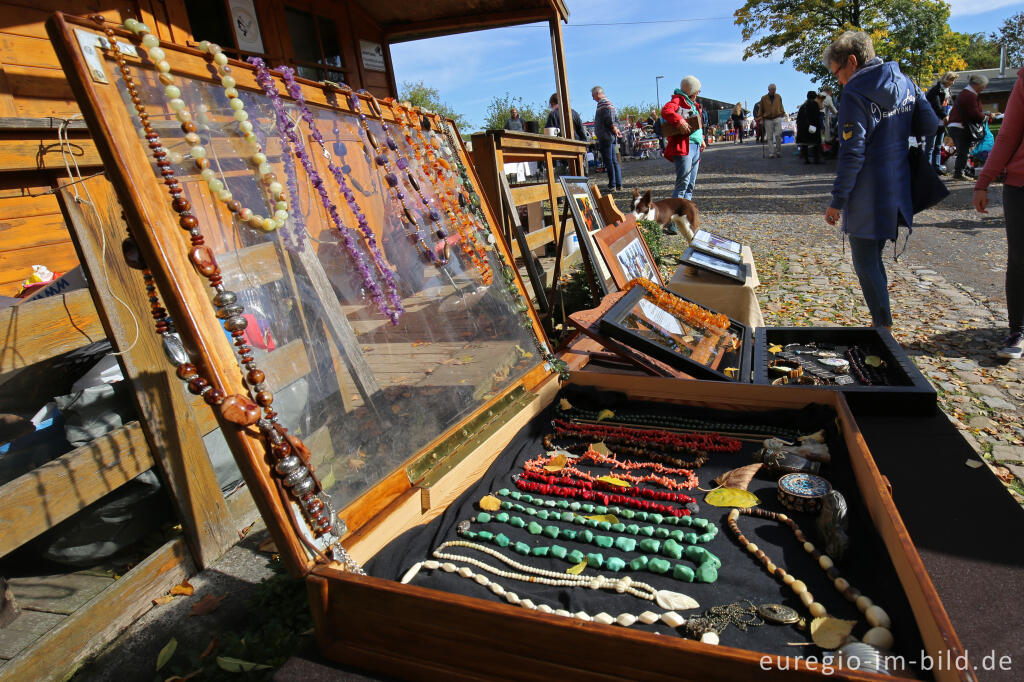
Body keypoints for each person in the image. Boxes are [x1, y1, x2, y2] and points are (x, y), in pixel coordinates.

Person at [822, 30, 938, 330]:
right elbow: (929, 124)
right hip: (898, 187)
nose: (838, 80)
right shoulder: (906, 81)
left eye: (837, 72)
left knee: (864, 261)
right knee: (874, 259)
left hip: (867, 192)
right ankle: (881, 322)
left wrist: (837, 200)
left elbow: (853, 153)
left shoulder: (855, 92)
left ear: (852, 61)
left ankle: (882, 328)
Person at [973, 65, 1024, 359]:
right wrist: (984, 181)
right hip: (1020, 183)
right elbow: (1008, 134)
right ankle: (1018, 328)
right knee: (1020, 260)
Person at [662, 75, 705, 204]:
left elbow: (697, 125)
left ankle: (685, 217)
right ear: (692, 90)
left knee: (690, 185)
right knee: (683, 183)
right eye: (698, 89)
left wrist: (701, 139)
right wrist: (679, 120)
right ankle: (674, 220)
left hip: (695, 145)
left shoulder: (692, 103)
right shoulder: (678, 100)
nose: (699, 92)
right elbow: (666, 111)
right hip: (685, 146)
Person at [947, 74, 989, 180]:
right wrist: (985, 117)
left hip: (955, 125)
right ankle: (959, 173)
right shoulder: (970, 95)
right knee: (963, 151)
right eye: (983, 86)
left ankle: (960, 172)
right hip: (961, 126)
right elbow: (973, 113)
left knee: (963, 151)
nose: (983, 88)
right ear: (978, 84)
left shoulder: (965, 93)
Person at [591, 86, 623, 190]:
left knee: (608, 160)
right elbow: (616, 119)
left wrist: (613, 128)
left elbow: (607, 118)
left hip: (605, 136)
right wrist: (616, 129)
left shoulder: (602, 104)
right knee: (614, 160)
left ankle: (612, 184)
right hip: (612, 136)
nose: (593, 98)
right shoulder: (610, 103)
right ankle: (619, 184)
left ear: (598, 94)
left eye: (593, 96)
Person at [925, 72, 957, 174]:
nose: (953, 83)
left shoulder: (948, 91)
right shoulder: (936, 90)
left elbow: (950, 104)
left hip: (942, 123)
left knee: (938, 146)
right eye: (952, 80)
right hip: (933, 121)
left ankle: (936, 167)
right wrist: (944, 116)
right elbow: (936, 105)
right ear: (946, 79)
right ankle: (927, 168)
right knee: (930, 146)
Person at [796, 90, 823, 164]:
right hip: (813, 127)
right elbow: (816, 117)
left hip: (803, 128)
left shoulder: (803, 106)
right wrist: (819, 127)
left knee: (805, 144)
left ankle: (806, 159)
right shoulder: (815, 105)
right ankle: (816, 159)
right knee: (815, 144)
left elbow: (799, 118)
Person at [758, 84, 785, 158]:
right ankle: (771, 153)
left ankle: (778, 151)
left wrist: (783, 112)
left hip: (777, 117)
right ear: (769, 90)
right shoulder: (764, 98)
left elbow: (781, 105)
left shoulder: (778, 96)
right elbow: (761, 109)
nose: (774, 91)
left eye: (775, 89)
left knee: (778, 135)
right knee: (769, 137)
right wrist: (760, 118)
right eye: (772, 89)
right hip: (768, 119)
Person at [819, 86, 838, 157]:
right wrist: (838, 114)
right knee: (824, 135)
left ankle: (821, 150)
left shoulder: (819, 95)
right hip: (822, 117)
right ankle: (825, 151)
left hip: (815, 118)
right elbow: (833, 108)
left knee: (820, 135)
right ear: (829, 91)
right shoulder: (828, 97)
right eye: (831, 92)